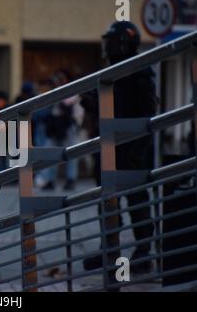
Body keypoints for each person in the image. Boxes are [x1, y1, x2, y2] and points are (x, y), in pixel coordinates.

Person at [83, 21, 158, 274]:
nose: (109, 47)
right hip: (108, 147)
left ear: (126, 43)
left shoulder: (139, 71)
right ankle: (109, 249)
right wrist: (91, 101)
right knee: (107, 202)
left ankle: (143, 252)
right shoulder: (110, 70)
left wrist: (137, 149)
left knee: (138, 201)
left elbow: (147, 110)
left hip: (133, 147)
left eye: (113, 42)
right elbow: (108, 106)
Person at [45, 71, 82, 190]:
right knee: (51, 154)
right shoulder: (54, 92)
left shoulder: (72, 92)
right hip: (56, 126)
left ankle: (71, 179)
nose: (59, 82)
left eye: (61, 79)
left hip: (68, 126)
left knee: (71, 153)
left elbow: (68, 105)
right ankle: (50, 180)